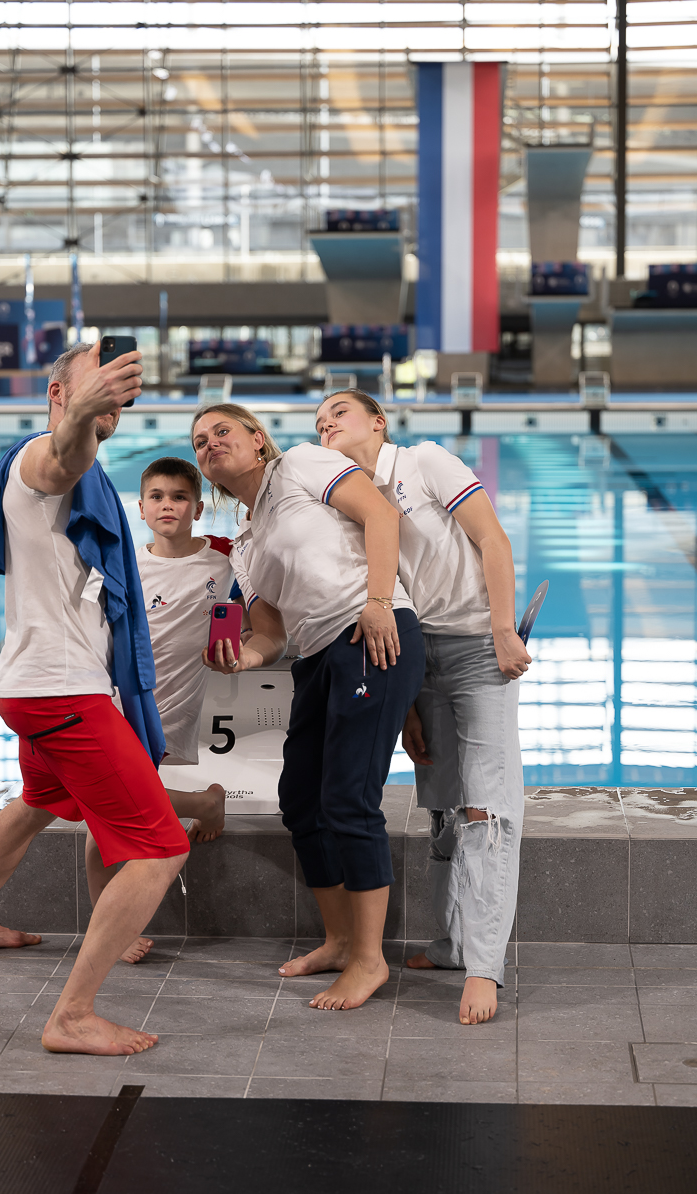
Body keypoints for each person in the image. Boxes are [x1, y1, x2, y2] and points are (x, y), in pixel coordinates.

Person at [0, 341, 191, 1056]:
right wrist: (83, 407)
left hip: (32, 684)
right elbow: (66, 452)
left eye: (122, 391)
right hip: (60, 692)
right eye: (97, 385)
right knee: (158, 849)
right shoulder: (41, 466)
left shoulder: (76, 474)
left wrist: (90, 404)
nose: (115, 397)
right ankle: (74, 1014)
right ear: (59, 396)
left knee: (38, 803)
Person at [192, 403, 425, 1011]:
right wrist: (240, 660)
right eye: (199, 441)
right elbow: (270, 630)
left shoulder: (301, 464)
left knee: (349, 797)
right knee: (301, 798)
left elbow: (380, 513)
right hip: (318, 656)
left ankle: (371, 962)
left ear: (256, 439)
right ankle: (341, 939)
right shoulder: (246, 538)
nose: (210, 443)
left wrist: (377, 598)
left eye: (222, 431)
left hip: (373, 630)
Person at [317, 388, 531, 1026]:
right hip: (416, 659)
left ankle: (485, 967)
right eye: (318, 421)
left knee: (487, 808)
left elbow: (492, 538)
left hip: (476, 649)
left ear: (378, 423)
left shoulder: (425, 461)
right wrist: (404, 702)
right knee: (440, 805)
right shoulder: (347, 497)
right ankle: (451, 942)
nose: (326, 425)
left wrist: (500, 629)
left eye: (339, 414)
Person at [84, 456, 231, 963]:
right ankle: (204, 804)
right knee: (105, 815)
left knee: (112, 808)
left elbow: (252, 615)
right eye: (158, 497)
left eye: (180, 497)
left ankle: (109, 927)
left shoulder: (223, 561)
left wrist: (240, 645)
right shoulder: (124, 564)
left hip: (173, 702)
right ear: (141, 508)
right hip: (117, 702)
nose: (168, 505)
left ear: (198, 507)